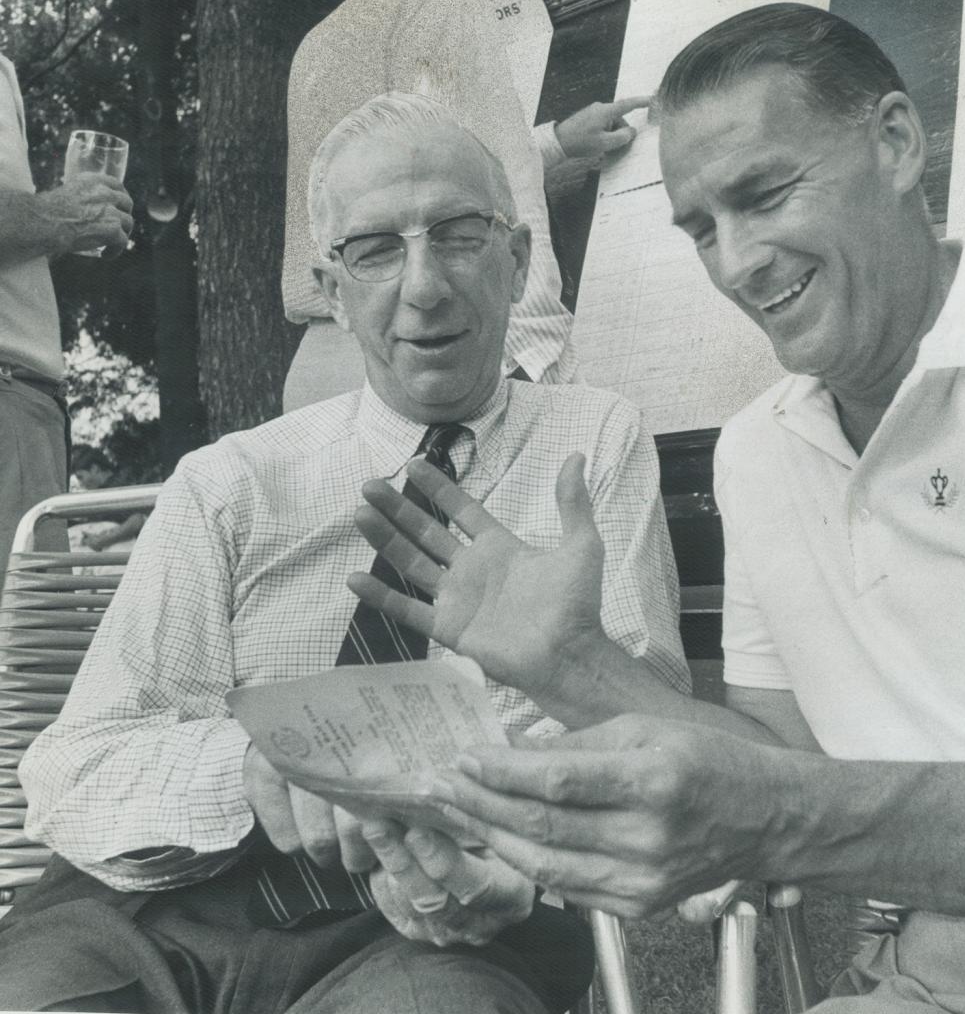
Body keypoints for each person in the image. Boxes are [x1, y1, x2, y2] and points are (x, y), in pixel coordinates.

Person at [345, 5, 965, 1012]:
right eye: (701, 229)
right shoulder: (758, 450)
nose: (736, 262)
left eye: (763, 195)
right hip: (945, 964)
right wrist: (571, 667)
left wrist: (780, 814)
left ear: (895, 141)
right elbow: (776, 770)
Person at [0, 92, 688, 1014]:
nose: (424, 286)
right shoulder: (232, 481)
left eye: (458, 234)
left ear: (517, 259)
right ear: (331, 291)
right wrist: (259, 763)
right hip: (154, 911)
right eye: (374, 250)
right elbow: (71, 766)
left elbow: (644, 722)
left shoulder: (591, 441)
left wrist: (478, 828)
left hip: (442, 920)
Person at [282, 0, 647, 410]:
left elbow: (400, 181)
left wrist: (558, 142)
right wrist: (551, 376)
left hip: (326, 369)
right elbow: (495, 219)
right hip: (426, 367)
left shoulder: (322, 39)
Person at [0, 0, 134, 562]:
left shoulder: (2, 70)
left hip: (28, 402)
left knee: (22, 648)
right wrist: (56, 215)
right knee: (16, 652)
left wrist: (61, 225)